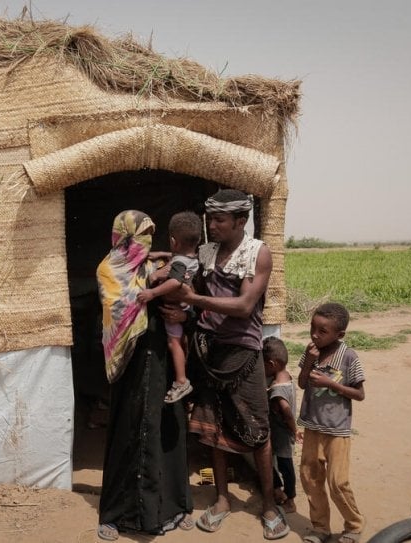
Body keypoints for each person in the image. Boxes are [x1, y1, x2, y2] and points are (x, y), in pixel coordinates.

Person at [173, 188, 290, 540]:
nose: (212, 226)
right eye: (209, 219)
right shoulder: (206, 252)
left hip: (244, 356)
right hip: (210, 353)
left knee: (258, 430)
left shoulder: (257, 253)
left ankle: (269, 505)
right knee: (213, 431)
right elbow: (182, 272)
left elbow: (243, 306)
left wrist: (192, 298)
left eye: (219, 220)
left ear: (242, 221)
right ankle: (223, 498)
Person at [95, 210, 193, 541]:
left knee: (164, 428)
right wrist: (150, 287)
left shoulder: (151, 270)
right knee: (128, 429)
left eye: (150, 237)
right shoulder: (109, 270)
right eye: (140, 237)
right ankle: (114, 514)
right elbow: (120, 307)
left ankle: (174, 507)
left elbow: (182, 295)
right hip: (131, 362)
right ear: (122, 239)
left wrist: (183, 309)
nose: (146, 244)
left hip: (161, 360)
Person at [296, 302, 366, 543]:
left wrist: (332, 385)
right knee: (310, 477)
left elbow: (359, 394)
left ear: (340, 334)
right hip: (312, 426)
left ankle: (354, 525)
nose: (315, 334)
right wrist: (307, 363)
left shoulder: (348, 357)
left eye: (322, 331)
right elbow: (302, 384)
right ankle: (320, 528)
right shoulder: (311, 351)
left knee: (338, 482)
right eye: (313, 328)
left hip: (337, 429)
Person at [137, 211, 202, 404]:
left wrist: (152, 293)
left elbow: (175, 282)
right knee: (179, 342)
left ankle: (181, 380)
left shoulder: (180, 263)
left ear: (173, 241)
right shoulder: (192, 257)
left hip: (175, 306)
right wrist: (161, 254)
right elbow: (176, 257)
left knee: (173, 343)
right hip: (184, 309)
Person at [263, 336, 298, 514]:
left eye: (264, 365)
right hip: (282, 433)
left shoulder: (277, 390)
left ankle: (290, 498)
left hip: (282, 434)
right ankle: (278, 490)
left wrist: (294, 430)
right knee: (275, 462)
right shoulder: (287, 377)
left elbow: (286, 410)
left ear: (272, 364)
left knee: (284, 465)